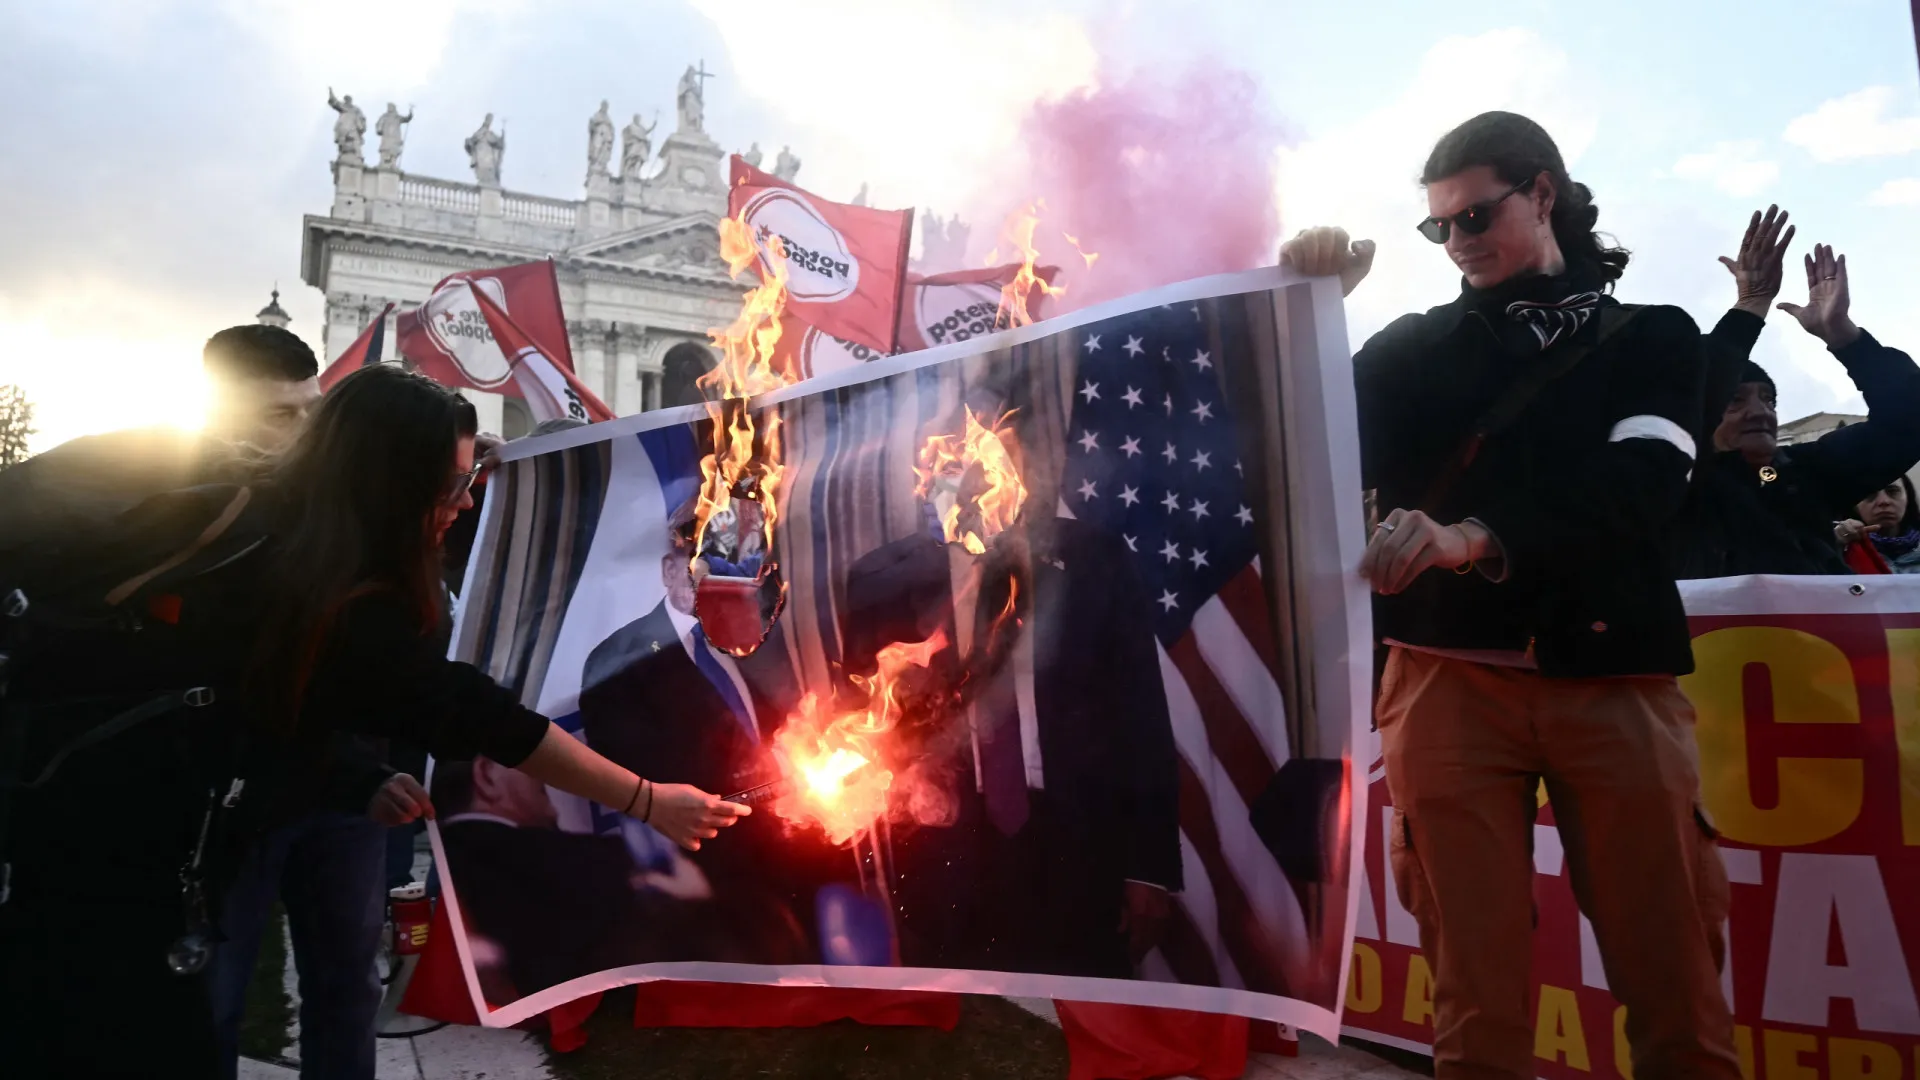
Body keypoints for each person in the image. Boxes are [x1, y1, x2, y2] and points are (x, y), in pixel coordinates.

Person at [0, 365, 747, 1077]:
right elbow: (482, 716)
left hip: (77, 823)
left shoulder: (260, 509)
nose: (464, 503)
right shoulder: (329, 596)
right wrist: (648, 800)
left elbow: (287, 708)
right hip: (117, 862)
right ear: (392, 485)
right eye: (454, 486)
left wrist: (352, 779)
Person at [1282, 111, 1739, 1078]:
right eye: (1438, 226)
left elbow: (1648, 483)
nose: (1456, 241)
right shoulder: (1412, 346)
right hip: (1443, 683)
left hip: (1615, 679)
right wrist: (1307, 316)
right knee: (1474, 998)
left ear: (1542, 193)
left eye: (1474, 215)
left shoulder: (1656, 335)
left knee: (1676, 983)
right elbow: (1297, 454)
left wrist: (1475, 537)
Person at [837, 402, 1181, 980]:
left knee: (1076, 1012)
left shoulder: (1092, 561)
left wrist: (1149, 869)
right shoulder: (880, 580)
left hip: (1075, 839)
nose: (977, 477)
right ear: (928, 473)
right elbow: (861, 727)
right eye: (957, 462)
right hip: (940, 850)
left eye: (994, 458)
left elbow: (1140, 717)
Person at [1675, 243, 1920, 577]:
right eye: (1735, 400)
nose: (1760, 411)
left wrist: (1847, 339)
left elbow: (1909, 422)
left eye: (1768, 399)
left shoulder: (1802, 475)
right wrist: (1750, 306)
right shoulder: (1666, 484)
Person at [1837, 474, 1920, 573]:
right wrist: (1834, 546)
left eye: (1893, 491)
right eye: (1869, 493)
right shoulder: (1841, 547)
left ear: (1908, 497)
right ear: (1855, 505)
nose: (1883, 501)